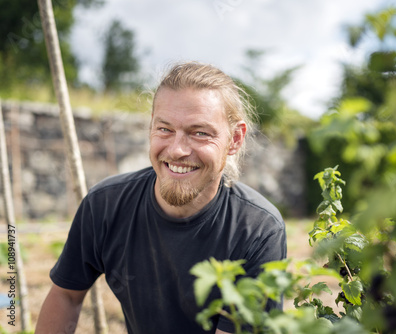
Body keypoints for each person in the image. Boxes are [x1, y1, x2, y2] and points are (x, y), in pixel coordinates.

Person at [35, 61, 287, 333]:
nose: (177, 150)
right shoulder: (105, 205)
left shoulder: (258, 230)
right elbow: (66, 295)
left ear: (235, 140)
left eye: (199, 133)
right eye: (164, 129)